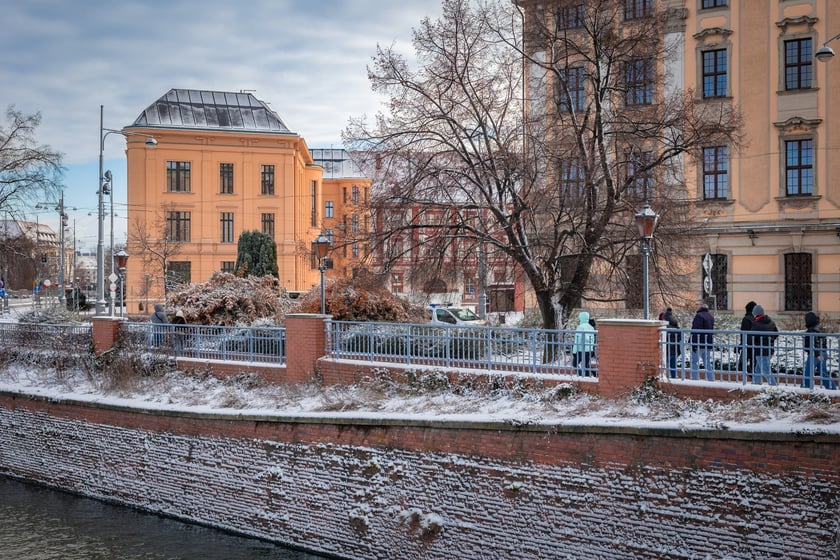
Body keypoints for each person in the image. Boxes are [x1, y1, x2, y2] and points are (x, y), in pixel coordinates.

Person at [803, 312, 836, 390]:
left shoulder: (811, 330)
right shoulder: (820, 328)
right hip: (823, 352)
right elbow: (823, 342)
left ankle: (806, 389)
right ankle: (832, 388)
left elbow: (814, 342)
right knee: (823, 373)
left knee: (808, 372)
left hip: (815, 353)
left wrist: (817, 354)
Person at [747, 304, 779, 386]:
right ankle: (756, 384)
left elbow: (751, 338)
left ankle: (774, 387)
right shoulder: (771, 322)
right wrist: (770, 341)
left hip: (760, 350)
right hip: (770, 348)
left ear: (755, 314)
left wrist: (753, 343)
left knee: (765, 370)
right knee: (758, 368)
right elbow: (776, 333)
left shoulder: (756, 324)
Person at [690, 300, 715, 381]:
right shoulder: (710, 316)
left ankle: (695, 379)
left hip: (698, 343)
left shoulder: (699, 316)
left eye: (697, 304)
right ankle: (711, 379)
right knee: (707, 363)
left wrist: (693, 343)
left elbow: (695, 330)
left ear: (701, 305)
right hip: (707, 343)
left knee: (695, 362)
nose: (695, 306)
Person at [572, 310, 597, 377]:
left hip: (581, 349)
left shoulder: (580, 327)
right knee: (586, 364)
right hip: (589, 349)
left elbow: (578, 340)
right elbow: (592, 339)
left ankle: (581, 375)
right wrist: (592, 349)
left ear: (581, 318)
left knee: (574, 364)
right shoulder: (591, 327)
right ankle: (589, 375)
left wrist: (574, 351)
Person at [739, 301, 756, 380]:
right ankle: (754, 378)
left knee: (742, 364)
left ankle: (753, 377)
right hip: (755, 344)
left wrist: (741, 344)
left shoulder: (746, 319)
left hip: (747, 345)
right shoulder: (756, 319)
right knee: (753, 363)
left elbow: (743, 333)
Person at [663, 308, 682, 379]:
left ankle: (664, 378)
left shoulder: (664, 327)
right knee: (673, 365)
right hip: (675, 349)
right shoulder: (676, 326)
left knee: (665, 365)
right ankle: (674, 377)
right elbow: (680, 338)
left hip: (667, 349)